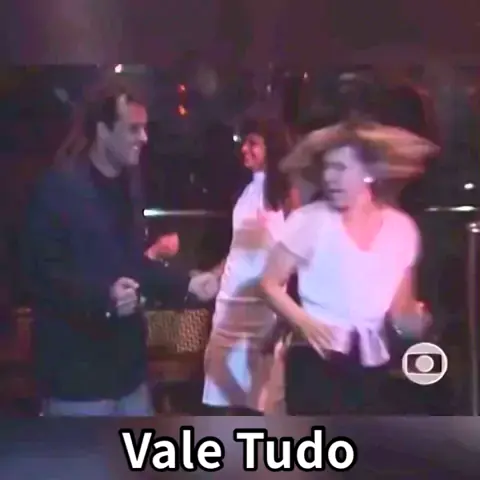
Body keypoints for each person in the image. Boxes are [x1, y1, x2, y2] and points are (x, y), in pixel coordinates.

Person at [22, 84, 218, 416]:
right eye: (133, 128)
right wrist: (104, 298)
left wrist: (187, 283)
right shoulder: (58, 189)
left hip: (128, 375)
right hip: (78, 381)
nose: (144, 138)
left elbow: (133, 263)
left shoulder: (130, 186)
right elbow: (41, 278)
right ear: (103, 130)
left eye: (145, 128)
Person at [260, 121, 438, 415]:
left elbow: (401, 309)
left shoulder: (402, 228)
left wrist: (416, 321)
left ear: (369, 172)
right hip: (315, 359)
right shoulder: (309, 220)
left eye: (340, 168)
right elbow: (268, 284)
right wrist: (303, 322)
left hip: (371, 362)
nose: (330, 177)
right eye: (327, 168)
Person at [202, 118, 295, 415]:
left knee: (262, 405)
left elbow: (295, 259)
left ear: (271, 146)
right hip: (230, 308)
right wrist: (213, 275)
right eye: (244, 142)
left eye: (253, 142)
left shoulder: (287, 195)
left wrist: (284, 319)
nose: (244, 149)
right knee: (225, 403)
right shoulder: (245, 192)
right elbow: (237, 251)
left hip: (264, 315)